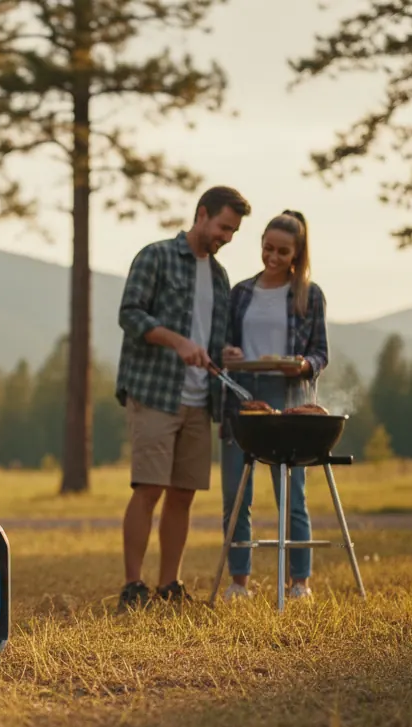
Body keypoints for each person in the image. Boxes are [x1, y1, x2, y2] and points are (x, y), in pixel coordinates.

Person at [115, 185, 251, 610]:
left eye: (233, 233)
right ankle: (133, 586)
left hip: (199, 399)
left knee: (183, 494)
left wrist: (224, 352)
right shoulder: (155, 256)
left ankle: (168, 584)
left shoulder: (220, 276)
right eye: (223, 227)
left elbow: (213, 338)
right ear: (202, 214)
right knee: (150, 487)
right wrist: (177, 342)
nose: (226, 237)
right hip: (155, 391)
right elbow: (130, 314)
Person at [218, 209, 329, 601]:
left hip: (288, 398)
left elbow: (320, 354)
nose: (273, 257)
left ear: (296, 254)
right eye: (268, 248)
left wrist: (303, 364)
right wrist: (227, 352)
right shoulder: (242, 293)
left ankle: (299, 583)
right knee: (235, 495)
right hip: (243, 397)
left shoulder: (309, 295)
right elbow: (226, 346)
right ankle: (239, 582)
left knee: (291, 495)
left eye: (283, 252)